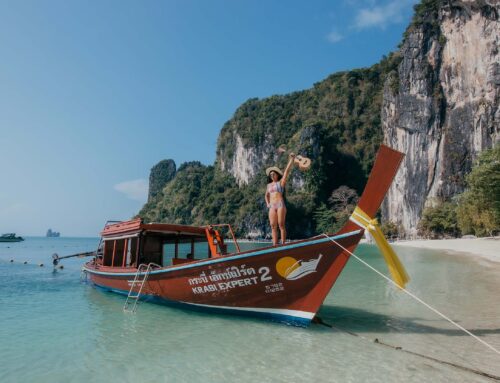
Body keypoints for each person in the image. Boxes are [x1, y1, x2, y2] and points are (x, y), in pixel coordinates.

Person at [265, 153, 295, 246]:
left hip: (280, 204)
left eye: (273, 174)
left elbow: (286, 171)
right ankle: (274, 244)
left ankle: (283, 244)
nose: (272, 175)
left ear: (277, 175)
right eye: (270, 175)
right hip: (272, 205)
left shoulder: (281, 182)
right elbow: (266, 195)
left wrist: (291, 160)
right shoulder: (268, 185)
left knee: (281, 224)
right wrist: (267, 203)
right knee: (273, 226)